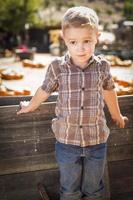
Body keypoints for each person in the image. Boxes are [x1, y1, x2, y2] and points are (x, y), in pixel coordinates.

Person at [17, 6, 128, 200]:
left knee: (94, 189)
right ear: (64, 39)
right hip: (67, 142)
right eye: (73, 42)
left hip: (97, 140)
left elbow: (109, 90)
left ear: (97, 37)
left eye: (87, 41)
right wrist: (31, 106)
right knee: (69, 190)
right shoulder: (57, 67)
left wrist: (116, 114)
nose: (81, 47)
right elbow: (45, 89)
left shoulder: (103, 66)